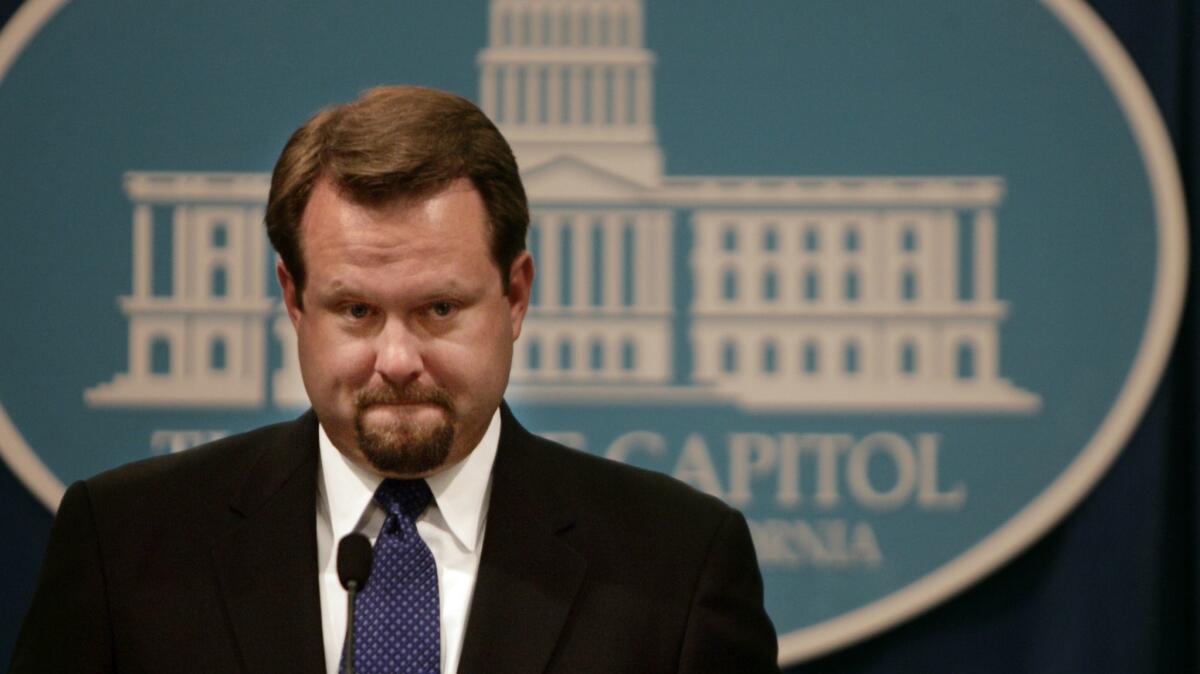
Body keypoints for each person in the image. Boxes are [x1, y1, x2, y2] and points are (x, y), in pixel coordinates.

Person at [11, 86, 779, 674]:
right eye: (355, 310)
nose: (398, 357)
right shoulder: (126, 545)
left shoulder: (676, 565)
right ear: (293, 300)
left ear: (515, 296)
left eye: (439, 308)